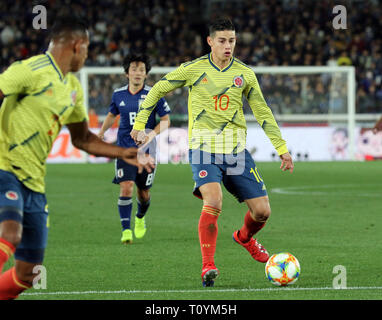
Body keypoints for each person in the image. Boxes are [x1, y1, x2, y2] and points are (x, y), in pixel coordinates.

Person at [131, 18, 294, 287]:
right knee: (214, 201)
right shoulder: (194, 69)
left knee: (263, 212)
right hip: (203, 150)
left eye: (232, 40)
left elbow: (262, 111)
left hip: (236, 152)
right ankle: (208, 265)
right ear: (210, 41)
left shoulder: (245, 74)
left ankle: (244, 237)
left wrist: (281, 148)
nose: (228, 45)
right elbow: (159, 88)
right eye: (222, 40)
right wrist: (139, 124)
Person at [0, 16, 153, 300]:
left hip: (34, 183)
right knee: (9, 232)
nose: (87, 55)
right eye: (87, 49)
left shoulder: (73, 88)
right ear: (77, 45)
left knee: (29, 273)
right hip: (5, 168)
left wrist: (124, 153)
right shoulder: (30, 69)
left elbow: (82, 139)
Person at [98, 53, 171, 244]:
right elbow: (111, 115)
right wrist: (100, 133)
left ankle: (139, 217)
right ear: (126, 73)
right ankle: (126, 230)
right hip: (124, 150)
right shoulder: (118, 94)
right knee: (126, 187)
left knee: (143, 193)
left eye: (141, 70)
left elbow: (165, 121)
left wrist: (151, 135)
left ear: (146, 74)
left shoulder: (154, 94)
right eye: (134, 69)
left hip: (147, 152)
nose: (138, 73)